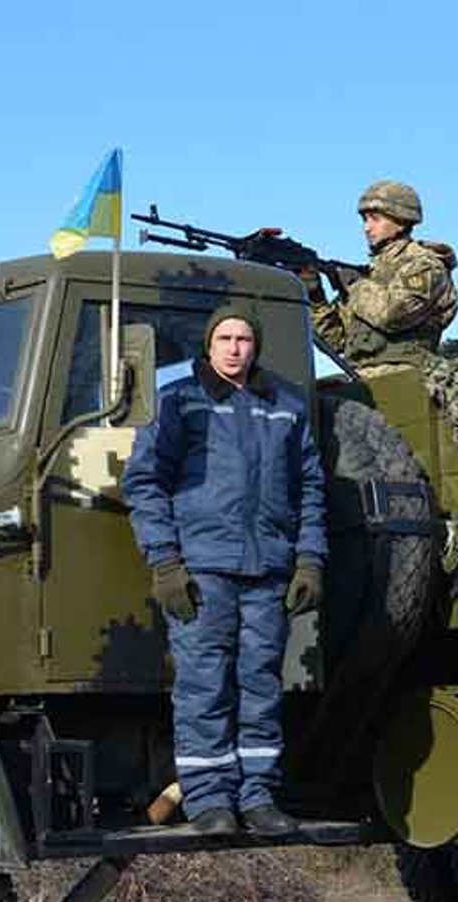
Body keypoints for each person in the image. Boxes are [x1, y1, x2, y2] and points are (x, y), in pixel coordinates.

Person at [122, 304, 327, 836]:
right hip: (203, 570)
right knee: (203, 684)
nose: (235, 348)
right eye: (225, 338)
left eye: (243, 339)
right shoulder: (177, 403)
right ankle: (210, 801)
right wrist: (166, 563)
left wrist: (309, 560)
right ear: (208, 346)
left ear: (254, 346)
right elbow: (143, 483)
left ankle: (258, 797)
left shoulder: (285, 405)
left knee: (260, 682)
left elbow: (310, 489)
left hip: (269, 570)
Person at [307, 180, 458, 375]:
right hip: (361, 376)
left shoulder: (425, 266)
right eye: (365, 220)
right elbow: (336, 342)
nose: (366, 228)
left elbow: (391, 314)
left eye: (375, 219)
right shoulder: (370, 277)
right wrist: (315, 297)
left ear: (400, 221)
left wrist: (354, 284)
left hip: (408, 375)